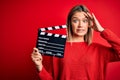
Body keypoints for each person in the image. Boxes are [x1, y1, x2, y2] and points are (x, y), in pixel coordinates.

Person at [31, 5, 120, 80]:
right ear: (69, 23)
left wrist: (102, 30)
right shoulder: (58, 48)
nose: (80, 25)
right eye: (75, 20)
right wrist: (39, 67)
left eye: (84, 21)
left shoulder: (98, 50)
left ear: (89, 24)